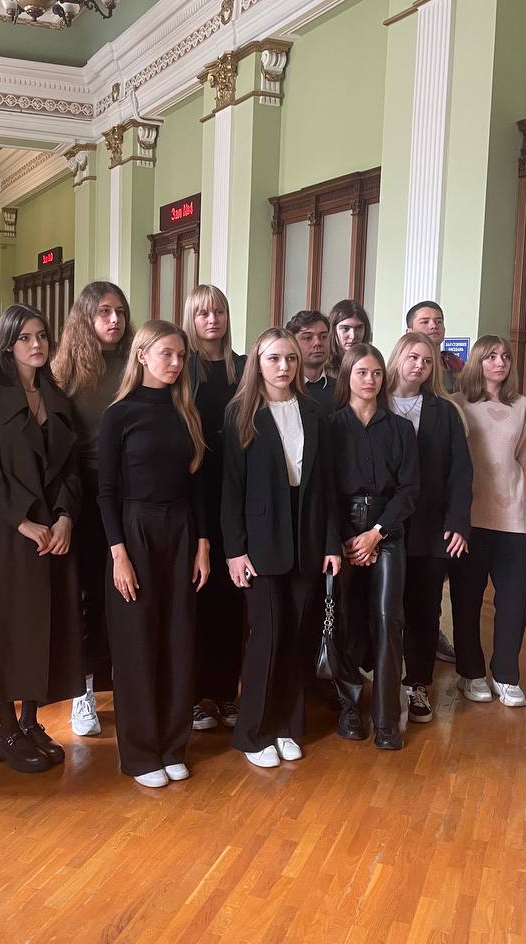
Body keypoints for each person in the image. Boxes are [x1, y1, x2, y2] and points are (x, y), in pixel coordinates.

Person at [0, 305, 83, 774]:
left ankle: (31, 722)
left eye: (42, 336)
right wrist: (22, 520)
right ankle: (7, 730)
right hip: (4, 532)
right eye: (25, 338)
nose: (37, 345)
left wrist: (66, 517)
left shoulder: (57, 395)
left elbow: (72, 467)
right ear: (7, 344)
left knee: (44, 626)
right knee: (3, 628)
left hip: (53, 532)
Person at [97, 320, 210, 788]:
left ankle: (172, 745)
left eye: (182, 356)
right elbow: (106, 492)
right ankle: (142, 753)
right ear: (142, 355)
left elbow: (198, 485)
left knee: (178, 639)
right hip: (135, 529)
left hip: (181, 529)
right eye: (167, 353)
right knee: (137, 643)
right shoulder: (118, 415)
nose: (176, 363)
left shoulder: (187, 412)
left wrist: (202, 545)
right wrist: (119, 555)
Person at [223, 328, 341, 768]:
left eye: (290, 358)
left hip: (306, 534)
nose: (284, 366)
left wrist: (331, 542)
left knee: (297, 636)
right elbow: (230, 490)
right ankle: (253, 732)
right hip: (261, 540)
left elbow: (326, 485)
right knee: (267, 638)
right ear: (258, 363)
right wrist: (235, 550)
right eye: (274, 358)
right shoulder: (241, 414)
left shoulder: (314, 413)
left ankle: (288, 726)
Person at [52, 281, 134, 737]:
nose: (114, 320)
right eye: (104, 311)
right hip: (84, 487)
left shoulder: (135, 361)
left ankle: (126, 681)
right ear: (86, 316)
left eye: (120, 311)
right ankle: (82, 692)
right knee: (86, 593)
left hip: (131, 485)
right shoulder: (64, 370)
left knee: (128, 586)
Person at [328, 344, 419, 750]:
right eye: (362, 372)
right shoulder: (329, 427)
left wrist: (376, 533)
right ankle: (348, 707)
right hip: (342, 532)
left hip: (387, 531)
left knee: (387, 619)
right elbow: (324, 489)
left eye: (377, 373)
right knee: (344, 620)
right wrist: (347, 536)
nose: (370, 380)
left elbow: (409, 489)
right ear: (347, 375)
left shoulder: (400, 429)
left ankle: (386, 719)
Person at [387, 332, 473, 725]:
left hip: (430, 527)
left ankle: (417, 682)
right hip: (382, 527)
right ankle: (381, 682)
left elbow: (460, 473)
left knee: (423, 610)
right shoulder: (375, 401)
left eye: (427, 360)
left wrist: (458, 523)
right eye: (413, 357)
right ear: (398, 357)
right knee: (383, 610)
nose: (419, 365)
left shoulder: (445, 412)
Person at [449, 337, 526, 708]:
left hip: (510, 517)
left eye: (505, 357)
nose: (500, 362)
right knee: (467, 600)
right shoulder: (457, 404)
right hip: (469, 518)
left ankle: (506, 675)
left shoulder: (522, 407)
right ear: (477, 362)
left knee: (515, 601)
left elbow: (518, 456)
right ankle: (470, 673)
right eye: (491, 357)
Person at [182, 284, 246, 732]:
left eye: (219, 311)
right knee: (196, 595)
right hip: (193, 486)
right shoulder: (182, 366)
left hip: (236, 488)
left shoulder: (242, 367)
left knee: (231, 597)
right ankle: (192, 695)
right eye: (203, 313)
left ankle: (225, 692)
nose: (212, 320)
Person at [405, 300, 461, 665]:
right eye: (425, 320)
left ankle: (421, 663)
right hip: (392, 513)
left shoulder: (454, 371)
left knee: (428, 591)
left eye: (438, 320)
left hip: (434, 501)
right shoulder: (386, 391)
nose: (433, 325)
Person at [406, 301, 463, 392]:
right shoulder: (402, 366)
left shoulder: (455, 362)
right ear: (409, 332)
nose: (434, 326)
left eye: (438, 322)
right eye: (425, 322)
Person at [287, 309, 334, 408]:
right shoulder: (285, 389)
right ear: (292, 343)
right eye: (308, 338)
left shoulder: (340, 390)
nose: (318, 343)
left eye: (324, 336)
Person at [325, 300, 371, 380]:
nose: (353, 336)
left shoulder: (373, 364)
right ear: (333, 330)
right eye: (345, 328)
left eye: (359, 328)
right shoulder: (319, 367)